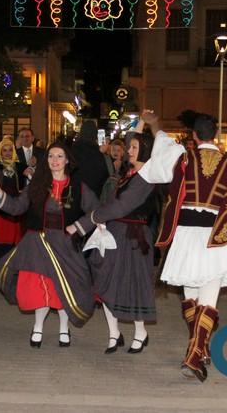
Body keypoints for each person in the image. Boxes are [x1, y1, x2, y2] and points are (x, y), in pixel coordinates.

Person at [135, 111, 227, 382]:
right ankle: (196, 352)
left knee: (190, 296)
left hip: (185, 236)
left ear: (194, 135)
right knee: (208, 298)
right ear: (215, 135)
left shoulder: (182, 158)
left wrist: (155, 125)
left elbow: (156, 167)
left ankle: (197, 349)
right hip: (217, 236)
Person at [0, 142, 98, 348]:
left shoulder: (79, 187)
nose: (54, 161)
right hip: (37, 244)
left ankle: (64, 328)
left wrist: (78, 226)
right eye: (50, 156)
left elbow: (96, 212)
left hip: (65, 246)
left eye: (59, 156)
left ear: (67, 160)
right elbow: (16, 207)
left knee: (64, 289)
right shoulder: (37, 184)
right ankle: (38, 327)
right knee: (41, 288)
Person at [68, 131, 157, 354]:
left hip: (135, 236)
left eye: (135, 147)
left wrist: (85, 223)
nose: (129, 150)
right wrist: (102, 222)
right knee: (104, 279)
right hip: (114, 231)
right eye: (130, 146)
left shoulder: (146, 178)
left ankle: (140, 332)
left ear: (145, 150)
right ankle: (113, 333)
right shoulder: (127, 174)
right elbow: (111, 204)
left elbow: (121, 206)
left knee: (133, 283)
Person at [0, 136, 23, 267]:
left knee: (12, 236)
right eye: (4, 150)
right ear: (0, 152)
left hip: (15, 205)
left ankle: (10, 263)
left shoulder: (19, 166)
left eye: (10, 150)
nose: (8, 153)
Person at [71, 121, 109, 198]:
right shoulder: (96, 152)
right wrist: (103, 154)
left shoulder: (73, 149)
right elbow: (104, 174)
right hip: (93, 194)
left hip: (75, 192)